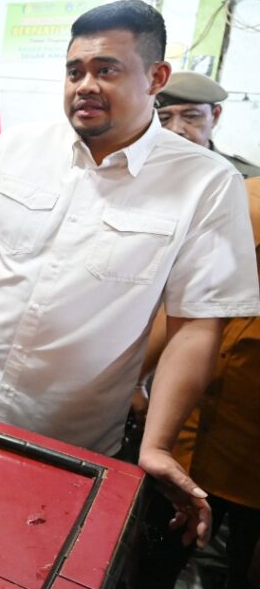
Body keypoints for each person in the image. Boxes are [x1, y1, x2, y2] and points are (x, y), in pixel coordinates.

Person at [0, 0, 260, 550]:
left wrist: (158, 444)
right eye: (75, 71)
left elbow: (197, 326)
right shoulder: (17, 149)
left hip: (73, 444)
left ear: (156, 77)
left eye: (107, 69)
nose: (85, 85)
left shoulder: (205, 184)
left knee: (23, 558)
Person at [132, 177, 260, 588]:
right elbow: (184, 305)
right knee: (143, 567)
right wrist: (130, 383)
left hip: (249, 467)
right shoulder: (242, 196)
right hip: (178, 441)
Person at [156, 70, 260, 177]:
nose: (175, 129)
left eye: (191, 116)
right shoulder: (142, 172)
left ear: (215, 115)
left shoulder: (249, 180)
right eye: (163, 118)